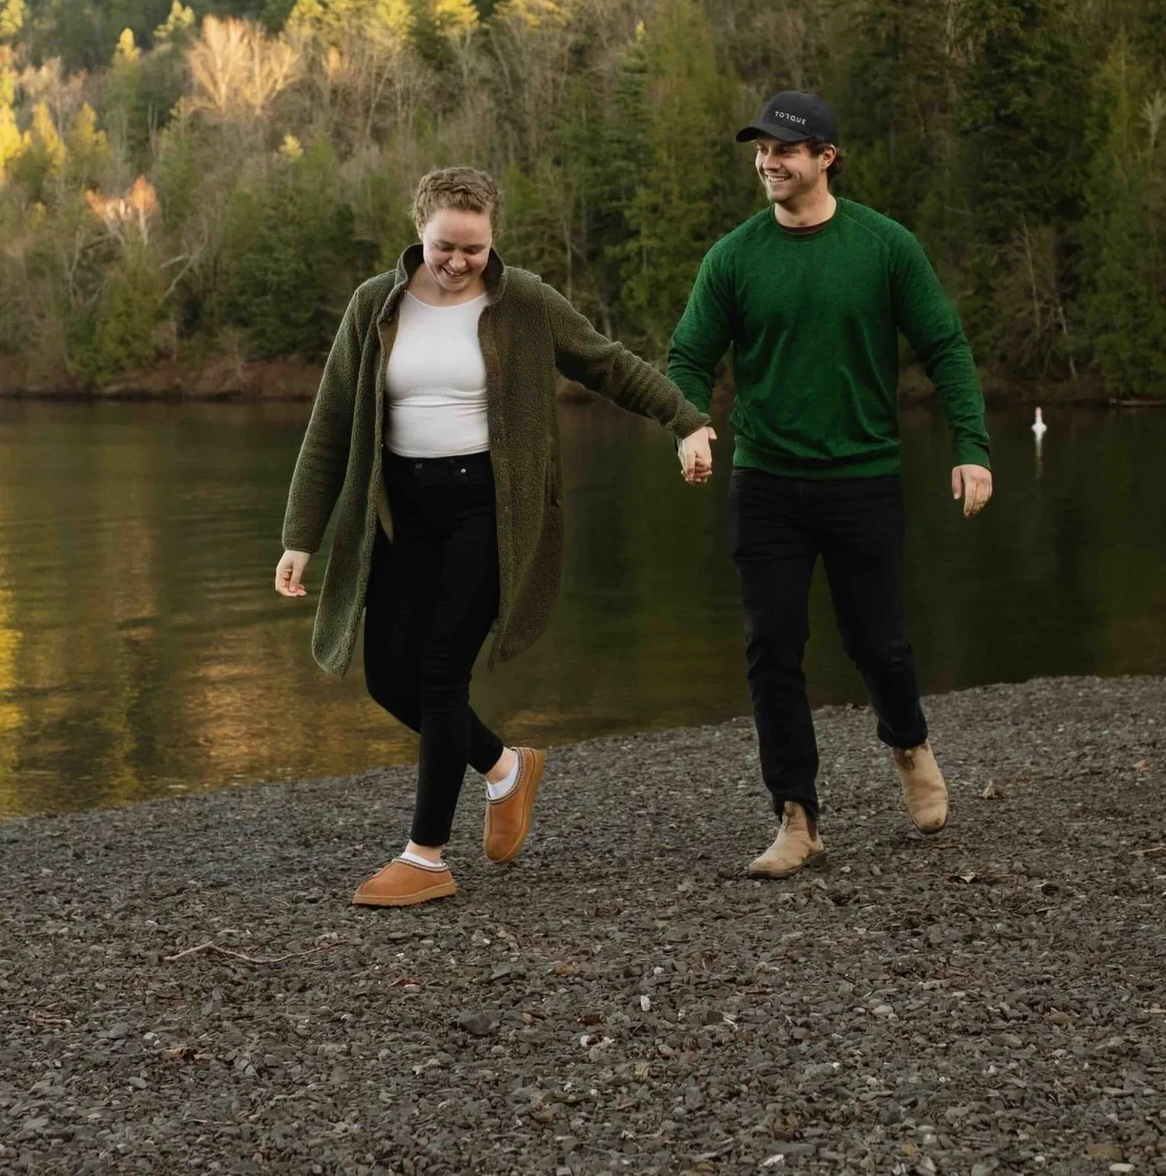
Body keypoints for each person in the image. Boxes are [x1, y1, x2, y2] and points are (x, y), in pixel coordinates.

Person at [276, 167, 710, 908]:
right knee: (388, 678)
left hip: (489, 509)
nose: (458, 261)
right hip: (399, 513)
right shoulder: (375, 304)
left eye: (473, 249)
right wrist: (300, 536)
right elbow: (330, 422)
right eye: (445, 246)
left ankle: (425, 857)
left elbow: (607, 362)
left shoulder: (525, 302)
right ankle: (505, 768)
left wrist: (685, 421)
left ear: (493, 240)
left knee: (440, 673)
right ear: (419, 232)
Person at [666, 92, 994, 879]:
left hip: (862, 477)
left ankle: (908, 742)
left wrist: (971, 447)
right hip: (766, 481)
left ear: (825, 156)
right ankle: (797, 816)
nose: (767, 161)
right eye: (760, 150)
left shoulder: (883, 247)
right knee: (771, 646)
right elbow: (687, 357)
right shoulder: (734, 257)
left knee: (877, 640)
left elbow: (945, 347)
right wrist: (688, 423)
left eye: (783, 149)